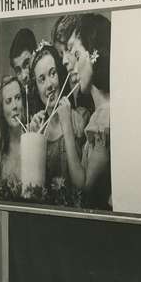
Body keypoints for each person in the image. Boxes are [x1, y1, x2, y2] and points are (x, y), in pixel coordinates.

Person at [61, 13, 112, 210]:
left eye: (76, 55)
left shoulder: (104, 118)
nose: (70, 63)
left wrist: (66, 123)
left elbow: (84, 189)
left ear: (94, 55)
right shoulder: (99, 114)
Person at [27, 43, 89, 191]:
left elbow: (82, 186)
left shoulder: (81, 119)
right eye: (41, 79)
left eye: (52, 73)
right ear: (36, 87)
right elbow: (31, 189)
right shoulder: (38, 129)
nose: (49, 84)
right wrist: (32, 140)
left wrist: (66, 124)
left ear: (60, 75)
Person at [0, 76, 26, 187]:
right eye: (8, 101)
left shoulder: (34, 136)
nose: (15, 106)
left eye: (18, 98)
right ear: (2, 109)